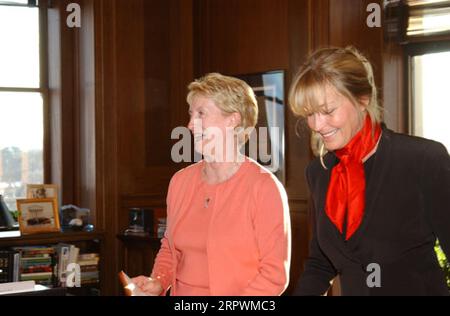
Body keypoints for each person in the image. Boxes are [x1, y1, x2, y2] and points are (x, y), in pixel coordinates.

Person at [289, 46, 450, 295]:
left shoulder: (423, 159)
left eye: (328, 111)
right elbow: (321, 264)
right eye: (309, 114)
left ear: (362, 99)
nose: (317, 125)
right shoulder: (318, 173)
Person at [132, 73, 291, 296]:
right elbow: (170, 249)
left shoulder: (264, 187)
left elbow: (274, 276)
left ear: (233, 120)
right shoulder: (180, 182)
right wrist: (158, 282)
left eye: (201, 114)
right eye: (190, 114)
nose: (190, 125)